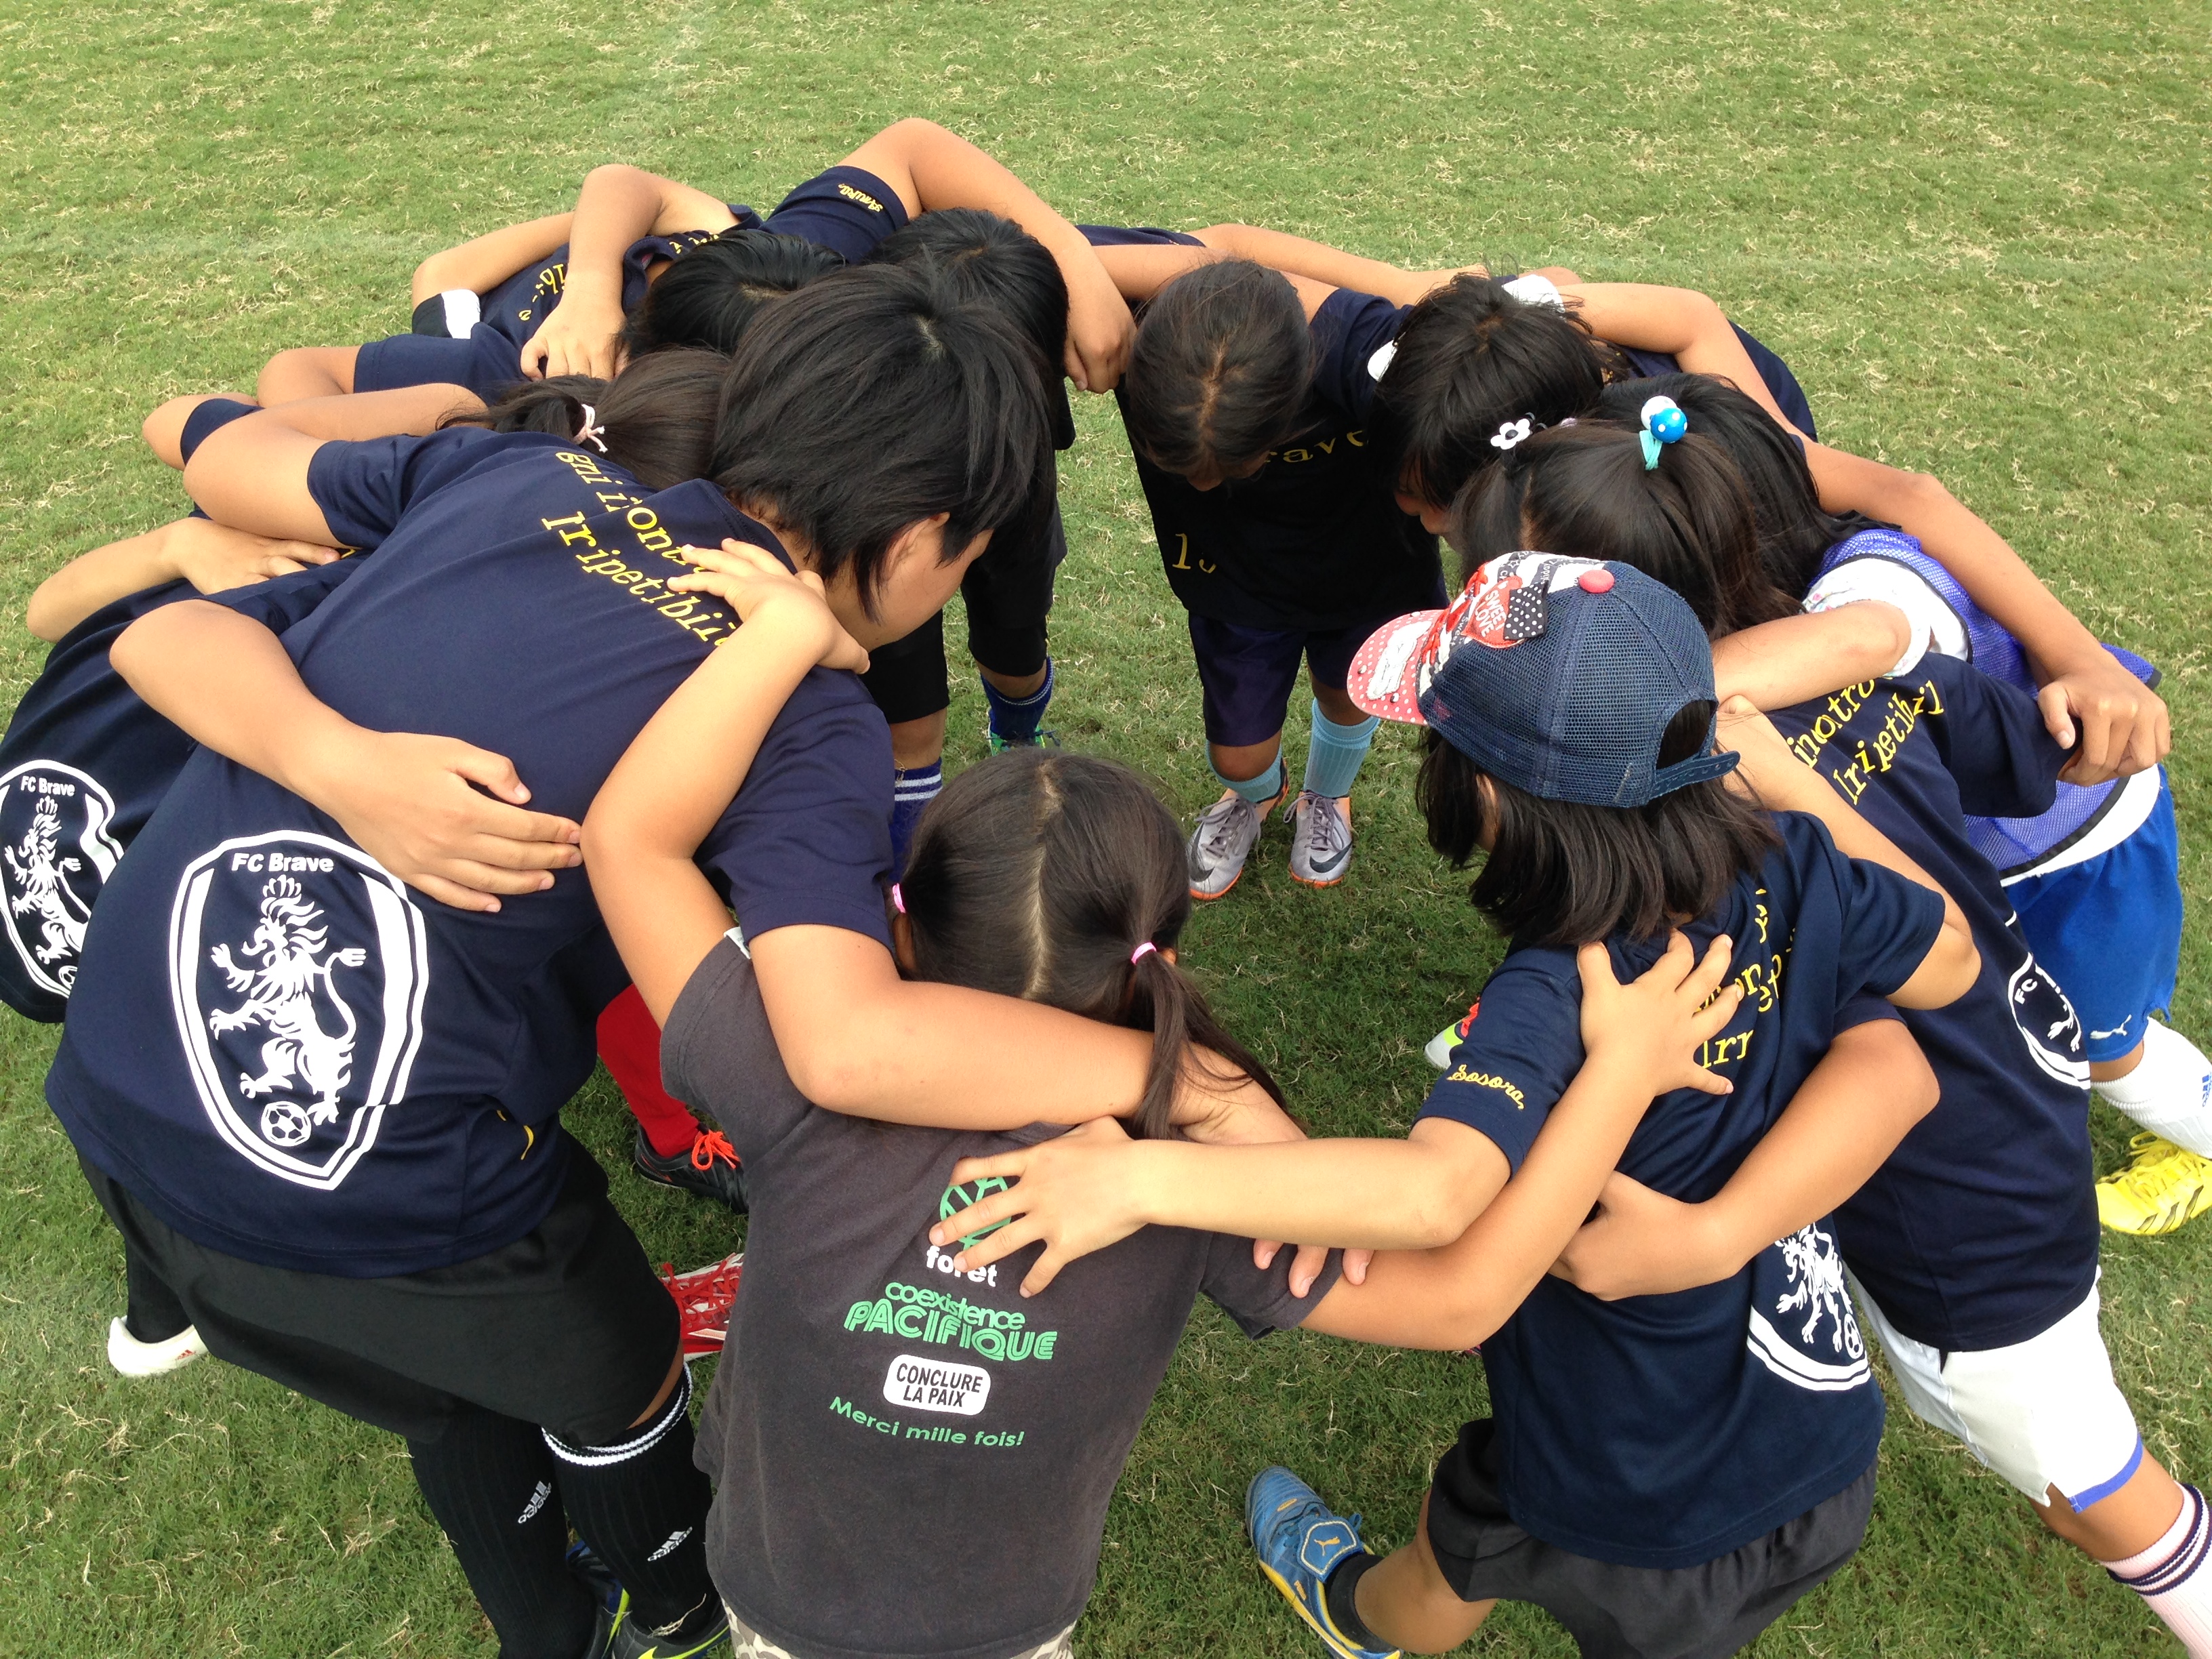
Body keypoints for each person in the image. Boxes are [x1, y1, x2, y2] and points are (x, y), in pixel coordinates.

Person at [52, 264, 1183, 1659]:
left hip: (111, 1081)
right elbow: (846, 1044)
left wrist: (324, 755)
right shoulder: (810, 723)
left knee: (450, 1398)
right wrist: (1168, 1071)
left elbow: (172, 607)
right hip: (367, 1197)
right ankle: (674, 1598)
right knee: (622, 1356)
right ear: (925, 537)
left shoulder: (506, 477)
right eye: (968, 559)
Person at [930, 558, 1975, 1659]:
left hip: (1631, 1473)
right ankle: (1364, 1608)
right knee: (1475, 1519)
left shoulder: (1561, 991)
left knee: (1491, 1530)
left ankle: (1352, 1617)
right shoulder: (1791, 865)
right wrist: (1789, 790)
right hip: (1808, 1414)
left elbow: (1436, 1190)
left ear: (1481, 790)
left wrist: (1137, 1175)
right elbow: (1945, 967)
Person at [1461, 407, 2212, 1656]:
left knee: (2085, 1477)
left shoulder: (1698, 777)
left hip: (1963, 1222)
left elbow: (1904, 995)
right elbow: (2021, 762)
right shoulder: (1845, 652)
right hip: (2015, 1091)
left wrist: (1708, 1226)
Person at [584, 550, 1349, 1658]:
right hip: (1008, 1617)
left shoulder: (783, 1062)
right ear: (1149, 963)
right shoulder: (1205, 1164)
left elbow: (629, 842)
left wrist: (783, 631)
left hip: (781, 1588)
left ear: (901, 925)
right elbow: (1451, 1296)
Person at [1595, 371, 2209, 1233]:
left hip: (2080, 849)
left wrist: (1590, 701)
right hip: (1982, 846)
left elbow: (1861, 638)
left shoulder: (1872, 585)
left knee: (2104, 1048)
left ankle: (2204, 1136)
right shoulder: (1784, 573)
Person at [1364, 274, 2169, 785]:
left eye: (1432, 501)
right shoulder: (1558, 404)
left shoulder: (1701, 456)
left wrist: (2079, 657)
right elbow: (1451, 298)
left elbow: (1903, 518)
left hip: (1990, 762)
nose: (1413, 519)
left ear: (1520, 474)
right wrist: (1537, 307)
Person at [1081, 241, 1444, 895]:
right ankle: (1253, 796)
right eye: (1180, 467)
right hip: (1235, 573)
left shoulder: (1378, 360)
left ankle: (1326, 798)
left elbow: (1510, 341)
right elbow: (1025, 246)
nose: (1199, 484)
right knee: (1238, 753)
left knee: (1349, 694)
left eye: (1229, 465)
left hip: (1367, 564)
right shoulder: (1138, 318)